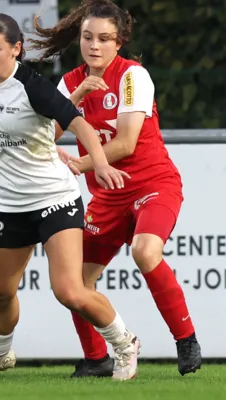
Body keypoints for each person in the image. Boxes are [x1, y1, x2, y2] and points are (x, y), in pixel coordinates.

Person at [0, 13, 139, 382]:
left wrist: (99, 163)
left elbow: (79, 123)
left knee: (70, 290)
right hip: (7, 205)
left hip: (53, 199)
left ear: (16, 50)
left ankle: (125, 344)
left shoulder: (33, 87)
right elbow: (40, 129)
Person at [30, 0, 202, 377]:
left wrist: (77, 163)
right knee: (73, 283)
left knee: (144, 251)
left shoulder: (132, 77)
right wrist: (72, 99)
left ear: (119, 42)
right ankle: (96, 360)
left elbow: (125, 144)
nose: (95, 46)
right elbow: (47, 134)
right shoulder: (71, 81)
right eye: (88, 37)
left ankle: (186, 339)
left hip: (152, 183)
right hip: (107, 195)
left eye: (105, 39)